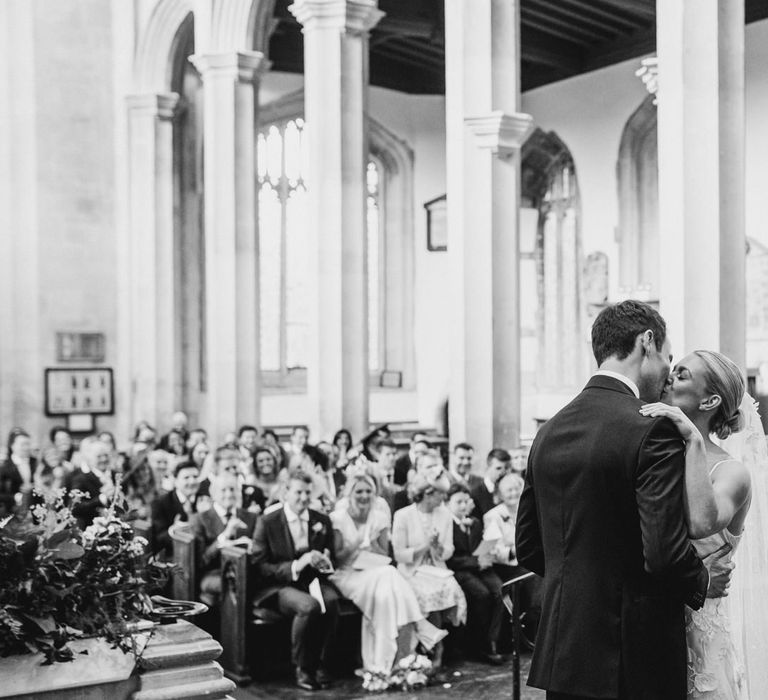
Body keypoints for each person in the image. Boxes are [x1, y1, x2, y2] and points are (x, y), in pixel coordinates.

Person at [516, 300, 724, 700]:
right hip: (634, 657)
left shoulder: (549, 431)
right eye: (667, 355)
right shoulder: (651, 429)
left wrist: (581, 585)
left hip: (564, 655)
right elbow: (662, 552)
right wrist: (705, 580)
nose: (667, 369)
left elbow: (527, 545)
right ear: (646, 342)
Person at [639, 350, 754, 699]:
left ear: (711, 400)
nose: (670, 377)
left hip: (700, 639)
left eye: (683, 374)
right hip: (650, 630)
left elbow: (702, 521)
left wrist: (693, 440)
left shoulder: (731, 472)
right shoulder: (656, 456)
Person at [329, 473, 446, 686]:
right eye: (359, 491)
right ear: (350, 493)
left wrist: (372, 544)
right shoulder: (339, 517)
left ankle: (384, 663)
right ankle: (418, 629)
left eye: (368, 491)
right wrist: (357, 541)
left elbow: (384, 555)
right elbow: (337, 558)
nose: (364, 496)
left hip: (374, 569)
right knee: (391, 575)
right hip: (348, 574)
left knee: (386, 590)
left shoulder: (379, 516)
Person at [251, 470, 340, 692]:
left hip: (312, 582)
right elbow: (260, 566)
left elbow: (332, 558)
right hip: (279, 586)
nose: (303, 498)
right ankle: (302, 667)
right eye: (298, 492)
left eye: (307, 493)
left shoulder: (321, 520)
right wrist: (295, 566)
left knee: (331, 602)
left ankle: (320, 662)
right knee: (308, 606)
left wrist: (324, 561)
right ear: (285, 493)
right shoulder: (268, 521)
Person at [392, 470, 467, 671]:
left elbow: (448, 550)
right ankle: (429, 647)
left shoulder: (444, 515)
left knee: (450, 587)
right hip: (410, 571)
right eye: (440, 494)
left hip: (437, 568)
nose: (444, 498)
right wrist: (424, 546)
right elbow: (399, 554)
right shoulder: (403, 515)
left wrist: (438, 548)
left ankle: (438, 644)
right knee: (422, 593)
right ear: (427, 493)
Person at [445, 483, 505, 665]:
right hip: (461, 571)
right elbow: (451, 558)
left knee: (501, 590)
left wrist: (486, 555)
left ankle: (492, 641)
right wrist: (475, 562)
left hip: (479, 567)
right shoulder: (447, 524)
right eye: (458, 502)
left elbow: (479, 547)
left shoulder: (475, 522)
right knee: (482, 594)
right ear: (448, 503)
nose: (464, 506)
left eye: (466, 501)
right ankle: (478, 644)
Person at [192, 473, 257, 604]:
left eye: (232, 489)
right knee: (235, 583)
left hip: (246, 571)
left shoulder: (250, 517)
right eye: (223, 490)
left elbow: (259, 551)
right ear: (213, 494)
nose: (228, 494)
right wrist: (225, 535)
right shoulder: (200, 519)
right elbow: (201, 561)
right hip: (214, 572)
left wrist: (251, 547)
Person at [151, 459, 200, 557]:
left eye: (195, 477)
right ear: (176, 481)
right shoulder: (161, 503)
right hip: (174, 556)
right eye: (186, 477)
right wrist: (172, 531)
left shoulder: (204, 499)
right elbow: (157, 539)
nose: (192, 481)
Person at [469, 448, 510, 518]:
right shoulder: (475, 493)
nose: (503, 472)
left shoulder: (512, 492)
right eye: (498, 468)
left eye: (506, 468)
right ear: (488, 467)